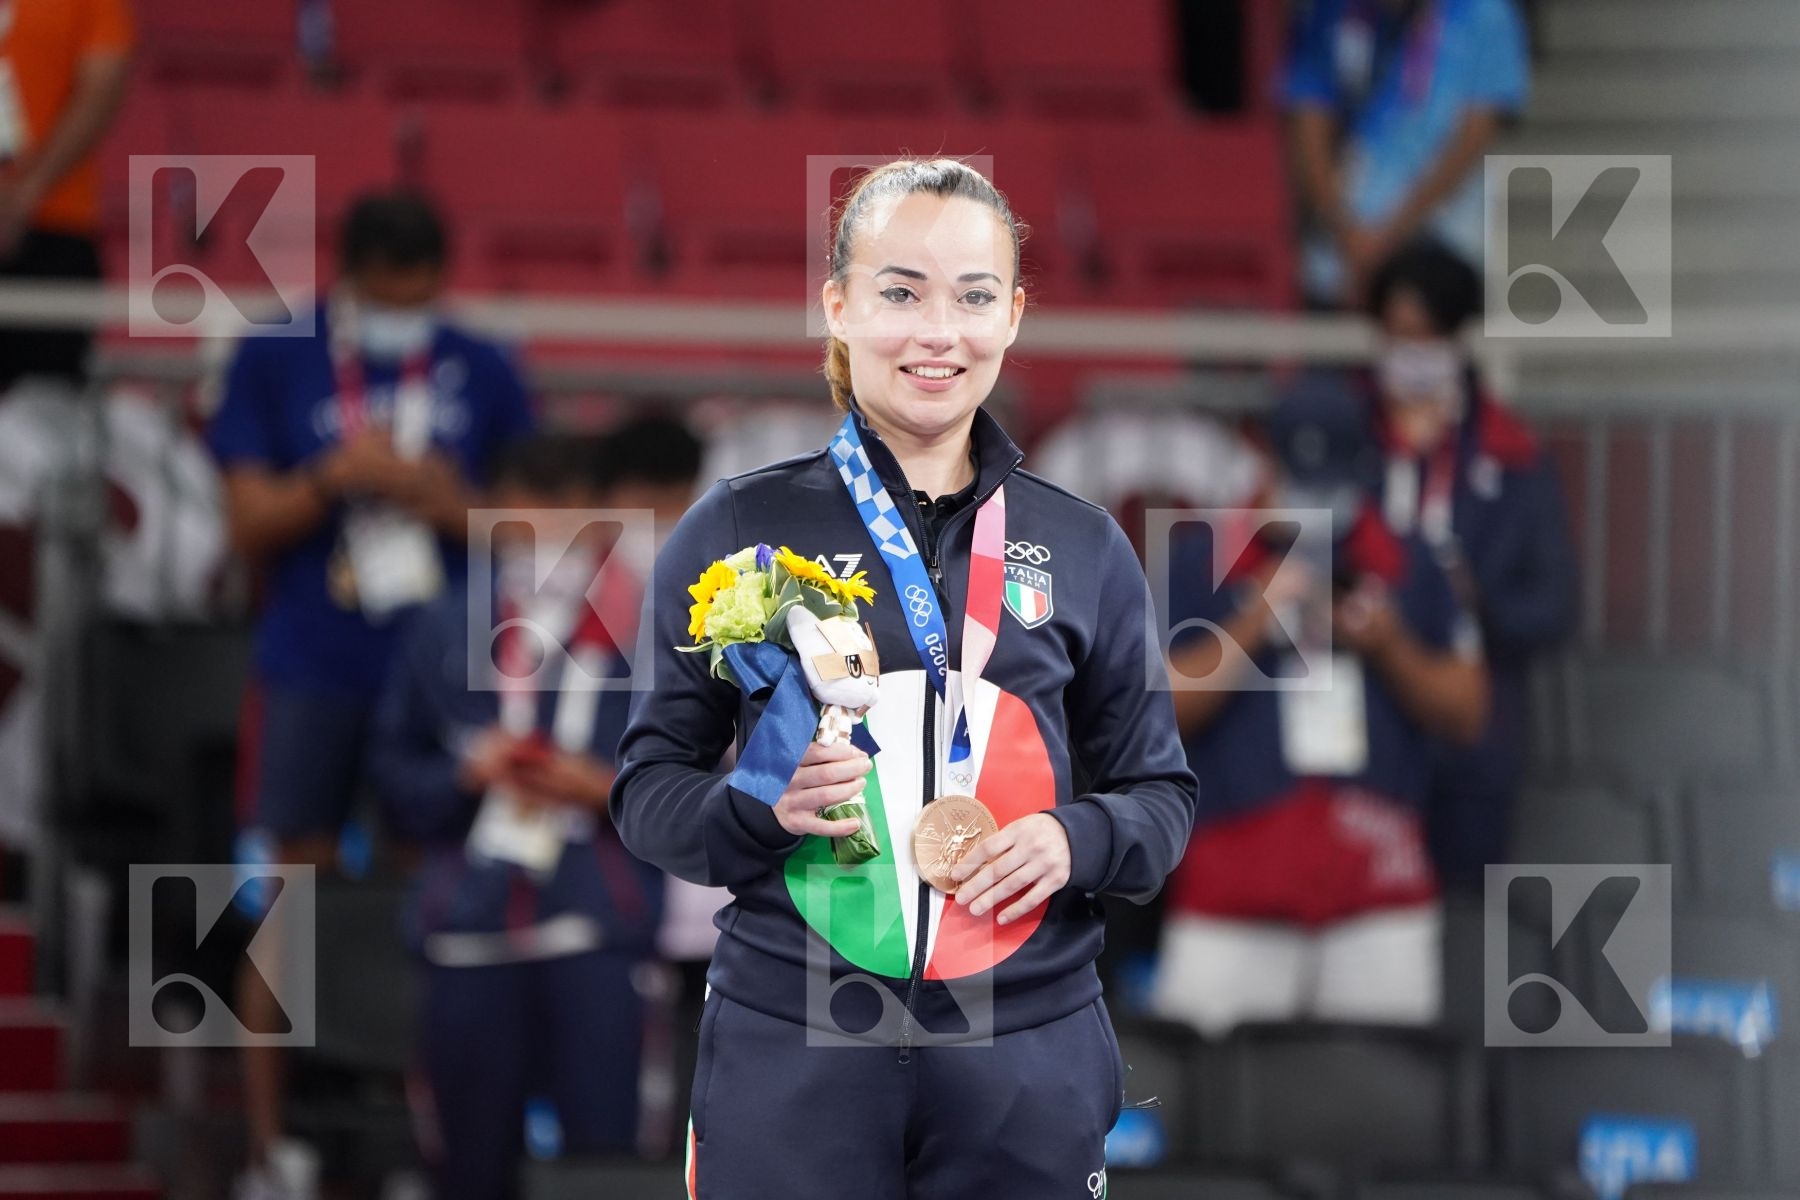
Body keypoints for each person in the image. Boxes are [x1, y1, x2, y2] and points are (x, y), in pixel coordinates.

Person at [611, 158, 1196, 1199]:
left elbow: (1162, 801)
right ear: (836, 306)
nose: (940, 331)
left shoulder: (1086, 546)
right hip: (795, 1039)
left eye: (975, 297)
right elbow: (647, 792)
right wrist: (758, 806)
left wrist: (1076, 837)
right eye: (900, 292)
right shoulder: (741, 528)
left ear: (1013, 318)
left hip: (1024, 1044)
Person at [207, 189, 534, 1198]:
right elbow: (245, 522)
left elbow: (538, 530)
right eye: (387, 297)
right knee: (284, 900)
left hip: (441, 672)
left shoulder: (483, 368)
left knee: (429, 897)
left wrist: (451, 503)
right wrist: (332, 478)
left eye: (420, 296)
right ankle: (271, 1151)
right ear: (348, 278)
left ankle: (414, 1136)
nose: (405, 313)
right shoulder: (276, 355)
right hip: (312, 662)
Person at [371, 431, 665, 1200]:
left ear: (601, 515)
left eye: (563, 512)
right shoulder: (444, 624)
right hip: (467, 933)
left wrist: (606, 788)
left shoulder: (653, 627)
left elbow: (700, 784)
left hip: (597, 931)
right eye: (522, 512)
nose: (542, 537)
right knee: (468, 1172)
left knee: (606, 1171)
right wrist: (465, 775)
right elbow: (392, 782)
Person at [1153, 378, 1489, 1036]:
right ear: (1268, 464)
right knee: (1202, 1114)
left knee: (1379, 1109)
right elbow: (1153, 712)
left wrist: (1390, 644)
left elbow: (1470, 713)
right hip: (1233, 886)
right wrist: (1254, 625)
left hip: (1377, 888)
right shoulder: (1200, 560)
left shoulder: (1413, 560)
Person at [1363, 238, 1577, 891]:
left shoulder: (1514, 458)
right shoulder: (1344, 444)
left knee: (1463, 920)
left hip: (1472, 735)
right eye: (1394, 337)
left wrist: (1472, 600)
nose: (1409, 355)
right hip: (1361, 729)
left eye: (1425, 338)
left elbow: (1555, 608)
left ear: (1457, 340)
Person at [1283, 0, 1529, 306]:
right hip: (1343, 250)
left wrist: (1387, 239)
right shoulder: (1332, 12)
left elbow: (1475, 135)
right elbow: (1309, 125)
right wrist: (1345, 231)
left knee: (1415, 309)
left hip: (1443, 241)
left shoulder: (1482, 12)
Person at [0, 0, 133, 390]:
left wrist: (25, 193)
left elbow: (104, 81)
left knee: (43, 413)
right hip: (41, 218)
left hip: (54, 227)